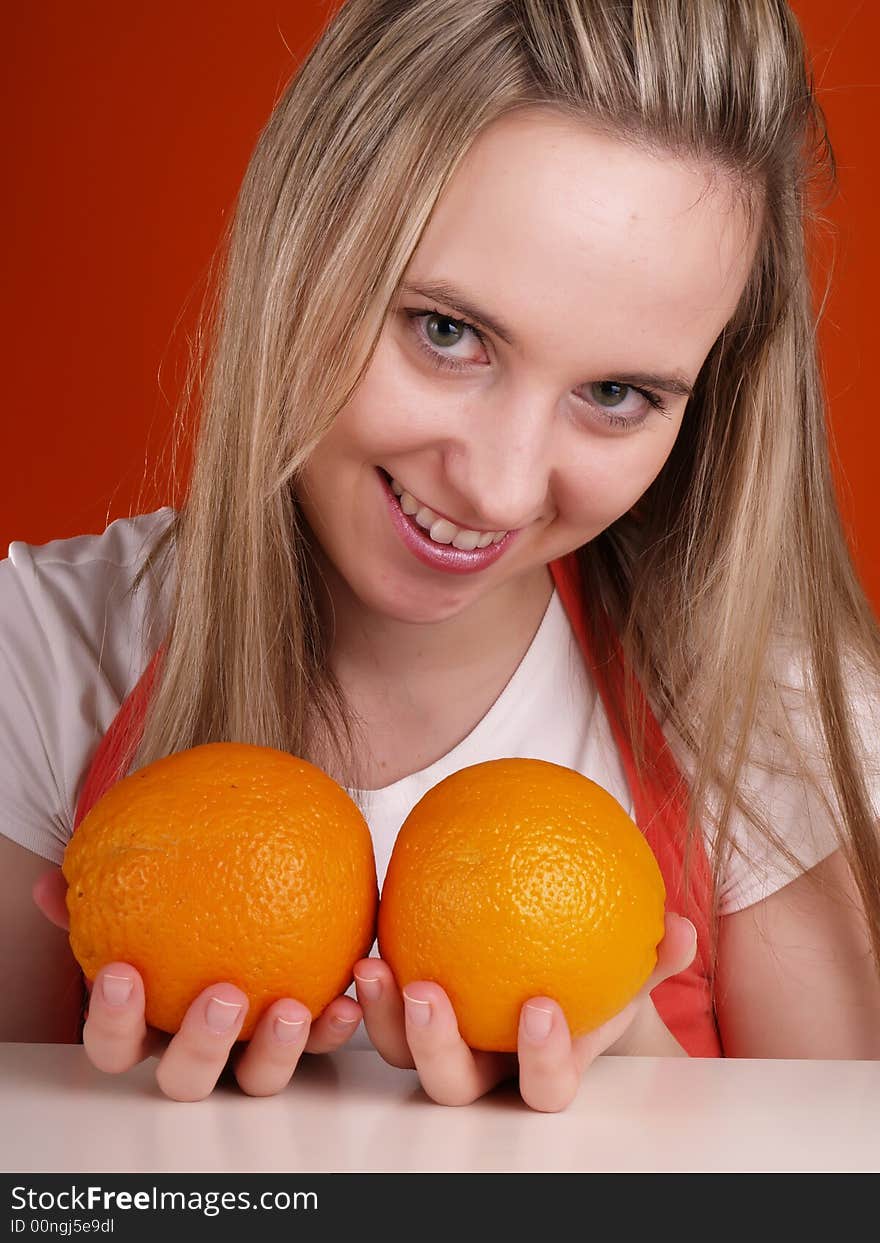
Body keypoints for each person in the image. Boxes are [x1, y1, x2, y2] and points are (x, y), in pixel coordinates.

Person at [2, 0, 879, 1114]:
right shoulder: (43, 655)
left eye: (616, 395)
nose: (503, 485)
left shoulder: (777, 715)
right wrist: (136, 1143)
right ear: (303, 251)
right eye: (447, 331)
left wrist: (638, 1083)